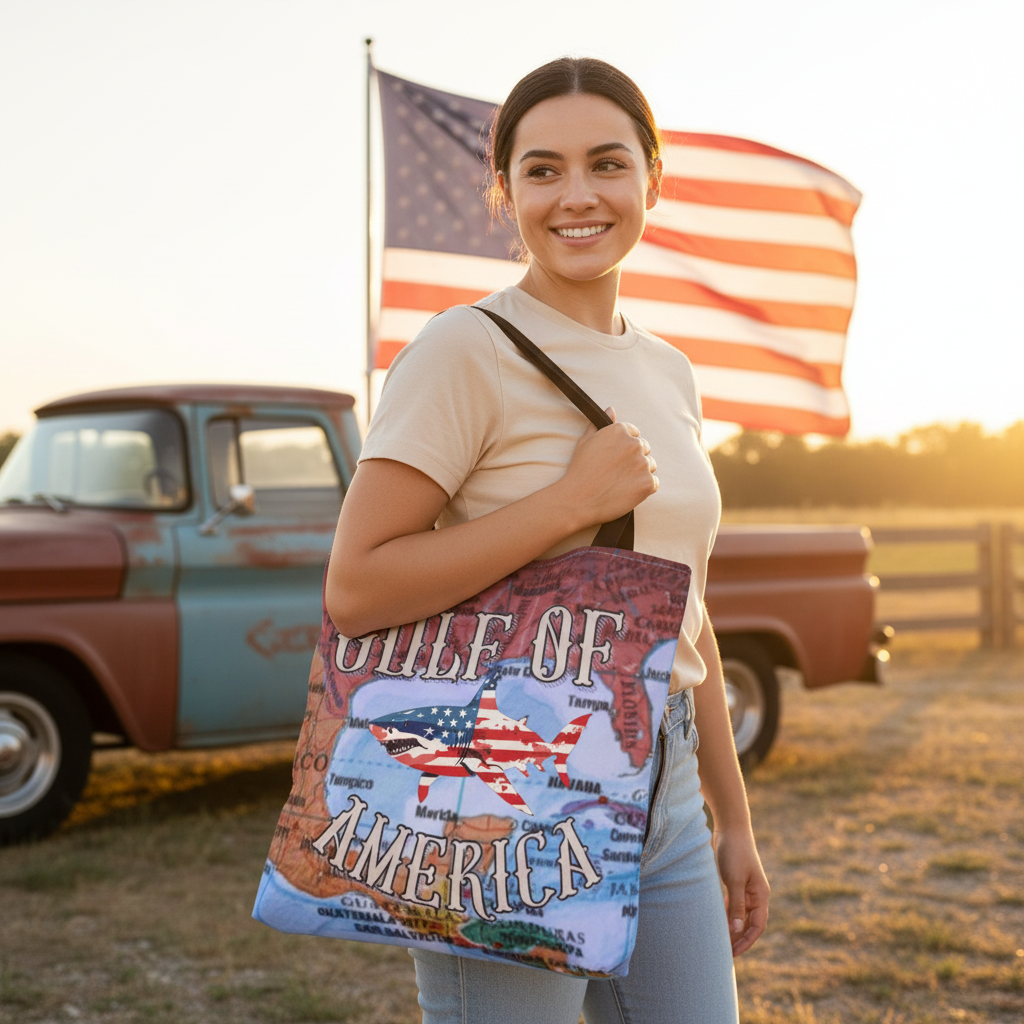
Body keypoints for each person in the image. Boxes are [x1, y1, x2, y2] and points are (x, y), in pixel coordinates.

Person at [326, 56, 769, 1024]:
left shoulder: (669, 369)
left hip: (670, 789)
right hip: (505, 792)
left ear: (654, 178)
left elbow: (684, 610)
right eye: (541, 170)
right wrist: (570, 502)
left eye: (607, 164)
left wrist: (732, 820)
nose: (577, 196)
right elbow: (357, 588)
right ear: (504, 190)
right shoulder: (462, 348)